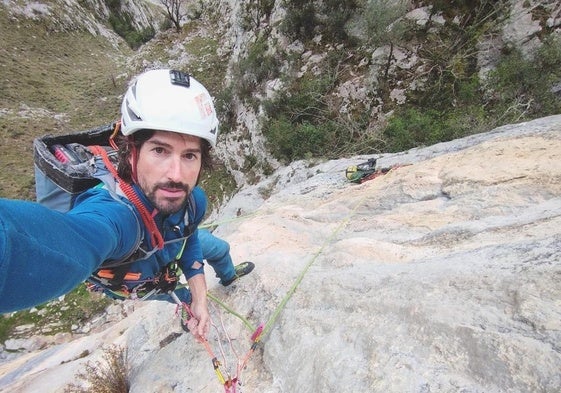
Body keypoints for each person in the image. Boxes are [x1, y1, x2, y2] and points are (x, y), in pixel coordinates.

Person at [0, 69, 223, 341]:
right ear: (131, 153)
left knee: (220, 249)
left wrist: (201, 293)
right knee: (180, 293)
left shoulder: (193, 201)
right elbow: (74, 238)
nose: (176, 174)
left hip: (168, 249)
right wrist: (193, 299)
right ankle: (191, 299)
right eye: (160, 150)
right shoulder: (117, 216)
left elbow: (190, 239)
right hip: (147, 281)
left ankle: (230, 275)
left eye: (189, 155)